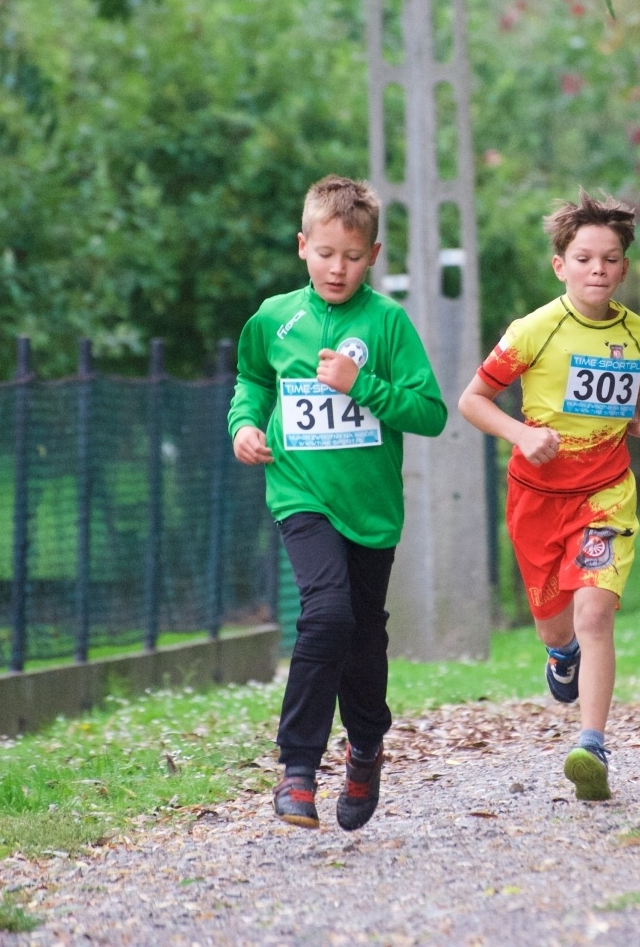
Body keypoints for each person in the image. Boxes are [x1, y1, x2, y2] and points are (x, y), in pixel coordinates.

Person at [228, 175, 447, 830]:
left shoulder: (387, 323)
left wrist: (365, 385)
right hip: (300, 493)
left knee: (363, 635)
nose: (337, 267)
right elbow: (252, 379)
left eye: (352, 256)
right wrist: (243, 424)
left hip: (372, 508)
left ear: (373, 255)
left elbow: (430, 412)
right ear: (303, 246)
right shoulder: (274, 316)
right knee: (325, 614)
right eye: (325, 253)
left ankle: (366, 745)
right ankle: (297, 770)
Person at [458, 191, 640, 802]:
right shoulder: (533, 329)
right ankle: (561, 659)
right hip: (537, 499)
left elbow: (629, 412)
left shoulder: (639, 334)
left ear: (624, 268)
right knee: (556, 628)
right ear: (561, 265)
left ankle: (591, 745)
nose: (597, 270)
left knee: (595, 614)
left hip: (605, 494)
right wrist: (522, 433)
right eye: (583, 258)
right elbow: (472, 401)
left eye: (610, 259)